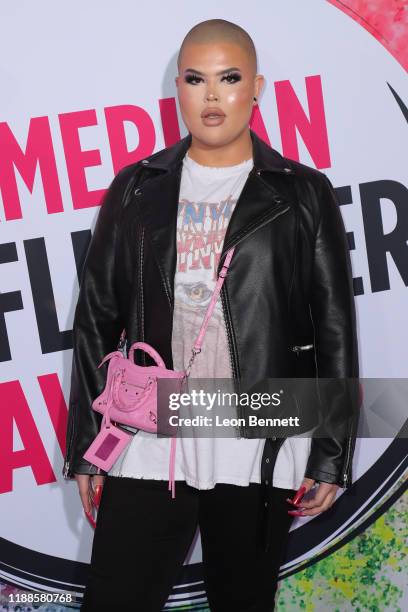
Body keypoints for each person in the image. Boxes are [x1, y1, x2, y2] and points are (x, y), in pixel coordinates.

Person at [63, 18, 359, 612]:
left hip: (256, 433)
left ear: (257, 87)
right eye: (196, 79)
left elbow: (333, 328)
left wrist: (332, 453)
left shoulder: (301, 192)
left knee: (242, 602)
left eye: (229, 78)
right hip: (150, 434)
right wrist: (88, 444)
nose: (213, 95)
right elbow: (97, 317)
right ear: (178, 88)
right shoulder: (135, 188)